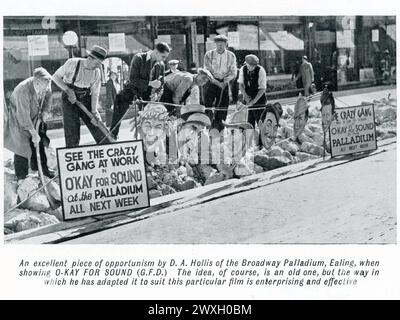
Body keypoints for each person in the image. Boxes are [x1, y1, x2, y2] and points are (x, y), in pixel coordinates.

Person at [52, 45, 109, 147]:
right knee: (72, 130)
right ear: (90, 58)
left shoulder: (97, 72)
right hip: (69, 98)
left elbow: (95, 93)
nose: (98, 66)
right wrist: (67, 90)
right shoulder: (73, 63)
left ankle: (107, 148)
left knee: (96, 125)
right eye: (96, 63)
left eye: (100, 64)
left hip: (85, 97)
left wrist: (94, 111)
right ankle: (72, 152)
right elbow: (55, 77)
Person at [4, 67, 55, 180]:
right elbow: (23, 116)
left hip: (35, 114)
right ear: (36, 83)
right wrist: (33, 133)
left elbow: (48, 96)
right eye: (45, 86)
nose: (47, 87)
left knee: (39, 142)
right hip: (19, 118)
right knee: (21, 146)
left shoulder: (46, 83)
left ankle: (43, 171)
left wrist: (45, 112)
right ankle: (21, 175)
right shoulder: (23, 91)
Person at [110, 42, 170, 139]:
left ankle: (147, 145)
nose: (164, 60)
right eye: (163, 56)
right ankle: (112, 136)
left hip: (147, 95)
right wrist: (150, 83)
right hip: (131, 90)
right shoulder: (139, 58)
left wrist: (157, 94)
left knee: (149, 120)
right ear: (156, 52)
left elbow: (161, 85)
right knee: (119, 108)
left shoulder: (161, 65)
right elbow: (133, 79)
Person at [203, 34, 237, 131]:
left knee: (223, 105)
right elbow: (207, 70)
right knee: (208, 104)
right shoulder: (209, 54)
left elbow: (233, 72)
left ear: (226, 44)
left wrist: (226, 81)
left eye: (222, 44)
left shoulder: (231, 56)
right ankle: (207, 126)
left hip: (224, 82)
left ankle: (220, 127)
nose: (220, 46)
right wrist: (215, 81)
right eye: (218, 44)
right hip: (211, 81)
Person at [238, 54, 267, 128]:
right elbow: (240, 85)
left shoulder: (261, 70)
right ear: (246, 63)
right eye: (250, 65)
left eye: (254, 65)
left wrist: (253, 101)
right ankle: (249, 138)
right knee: (249, 123)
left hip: (259, 100)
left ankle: (261, 138)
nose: (252, 67)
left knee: (260, 121)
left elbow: (262, 89)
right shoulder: (242, 69)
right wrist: (246, 96)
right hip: (247, 99)